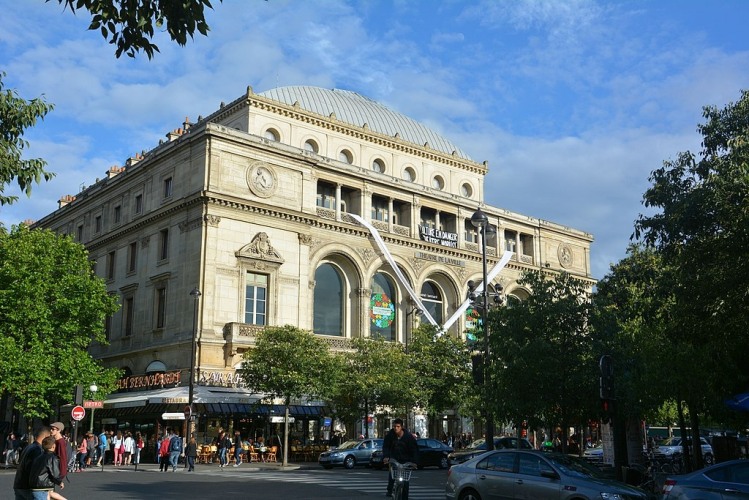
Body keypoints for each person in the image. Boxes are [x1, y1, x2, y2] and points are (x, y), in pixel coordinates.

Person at [382, 418, 419, 499]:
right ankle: (390, 489)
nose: (396, 428)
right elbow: (386, 446)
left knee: (405, 482)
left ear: (402, 427)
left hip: (406, 461)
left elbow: (414, 450)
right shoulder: (390, 435)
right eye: (394, 426)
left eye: (398, 426)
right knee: (392, 473)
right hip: (394, 459)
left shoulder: (408, 437)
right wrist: (386, 456)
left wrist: (414, 462)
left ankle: (405, 497)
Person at [14, 426, 51, 500]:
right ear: (45, 436)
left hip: (19, 483)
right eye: (49, 438)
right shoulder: (38, 450)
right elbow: (34, 469)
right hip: (29, 487)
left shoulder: (29, 447)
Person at [28, 436, 66, 500]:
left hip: (34, 485)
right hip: (42, 486)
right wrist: (59, 482)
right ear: (53, 446)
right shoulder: (52, 457)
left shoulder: (39, 457)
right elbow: (54, 472)